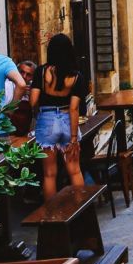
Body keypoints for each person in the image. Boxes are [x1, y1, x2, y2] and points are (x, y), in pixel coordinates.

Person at [29, 33, 88, 201]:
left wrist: (38, 109)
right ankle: (80, 209)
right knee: (74, 170)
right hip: (67, 121)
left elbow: (33, 100)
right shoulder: (77, 77)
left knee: (49, 174)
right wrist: (74, 138)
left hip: (46, 121)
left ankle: (52, 215)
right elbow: (74, 108)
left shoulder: (41, 72)